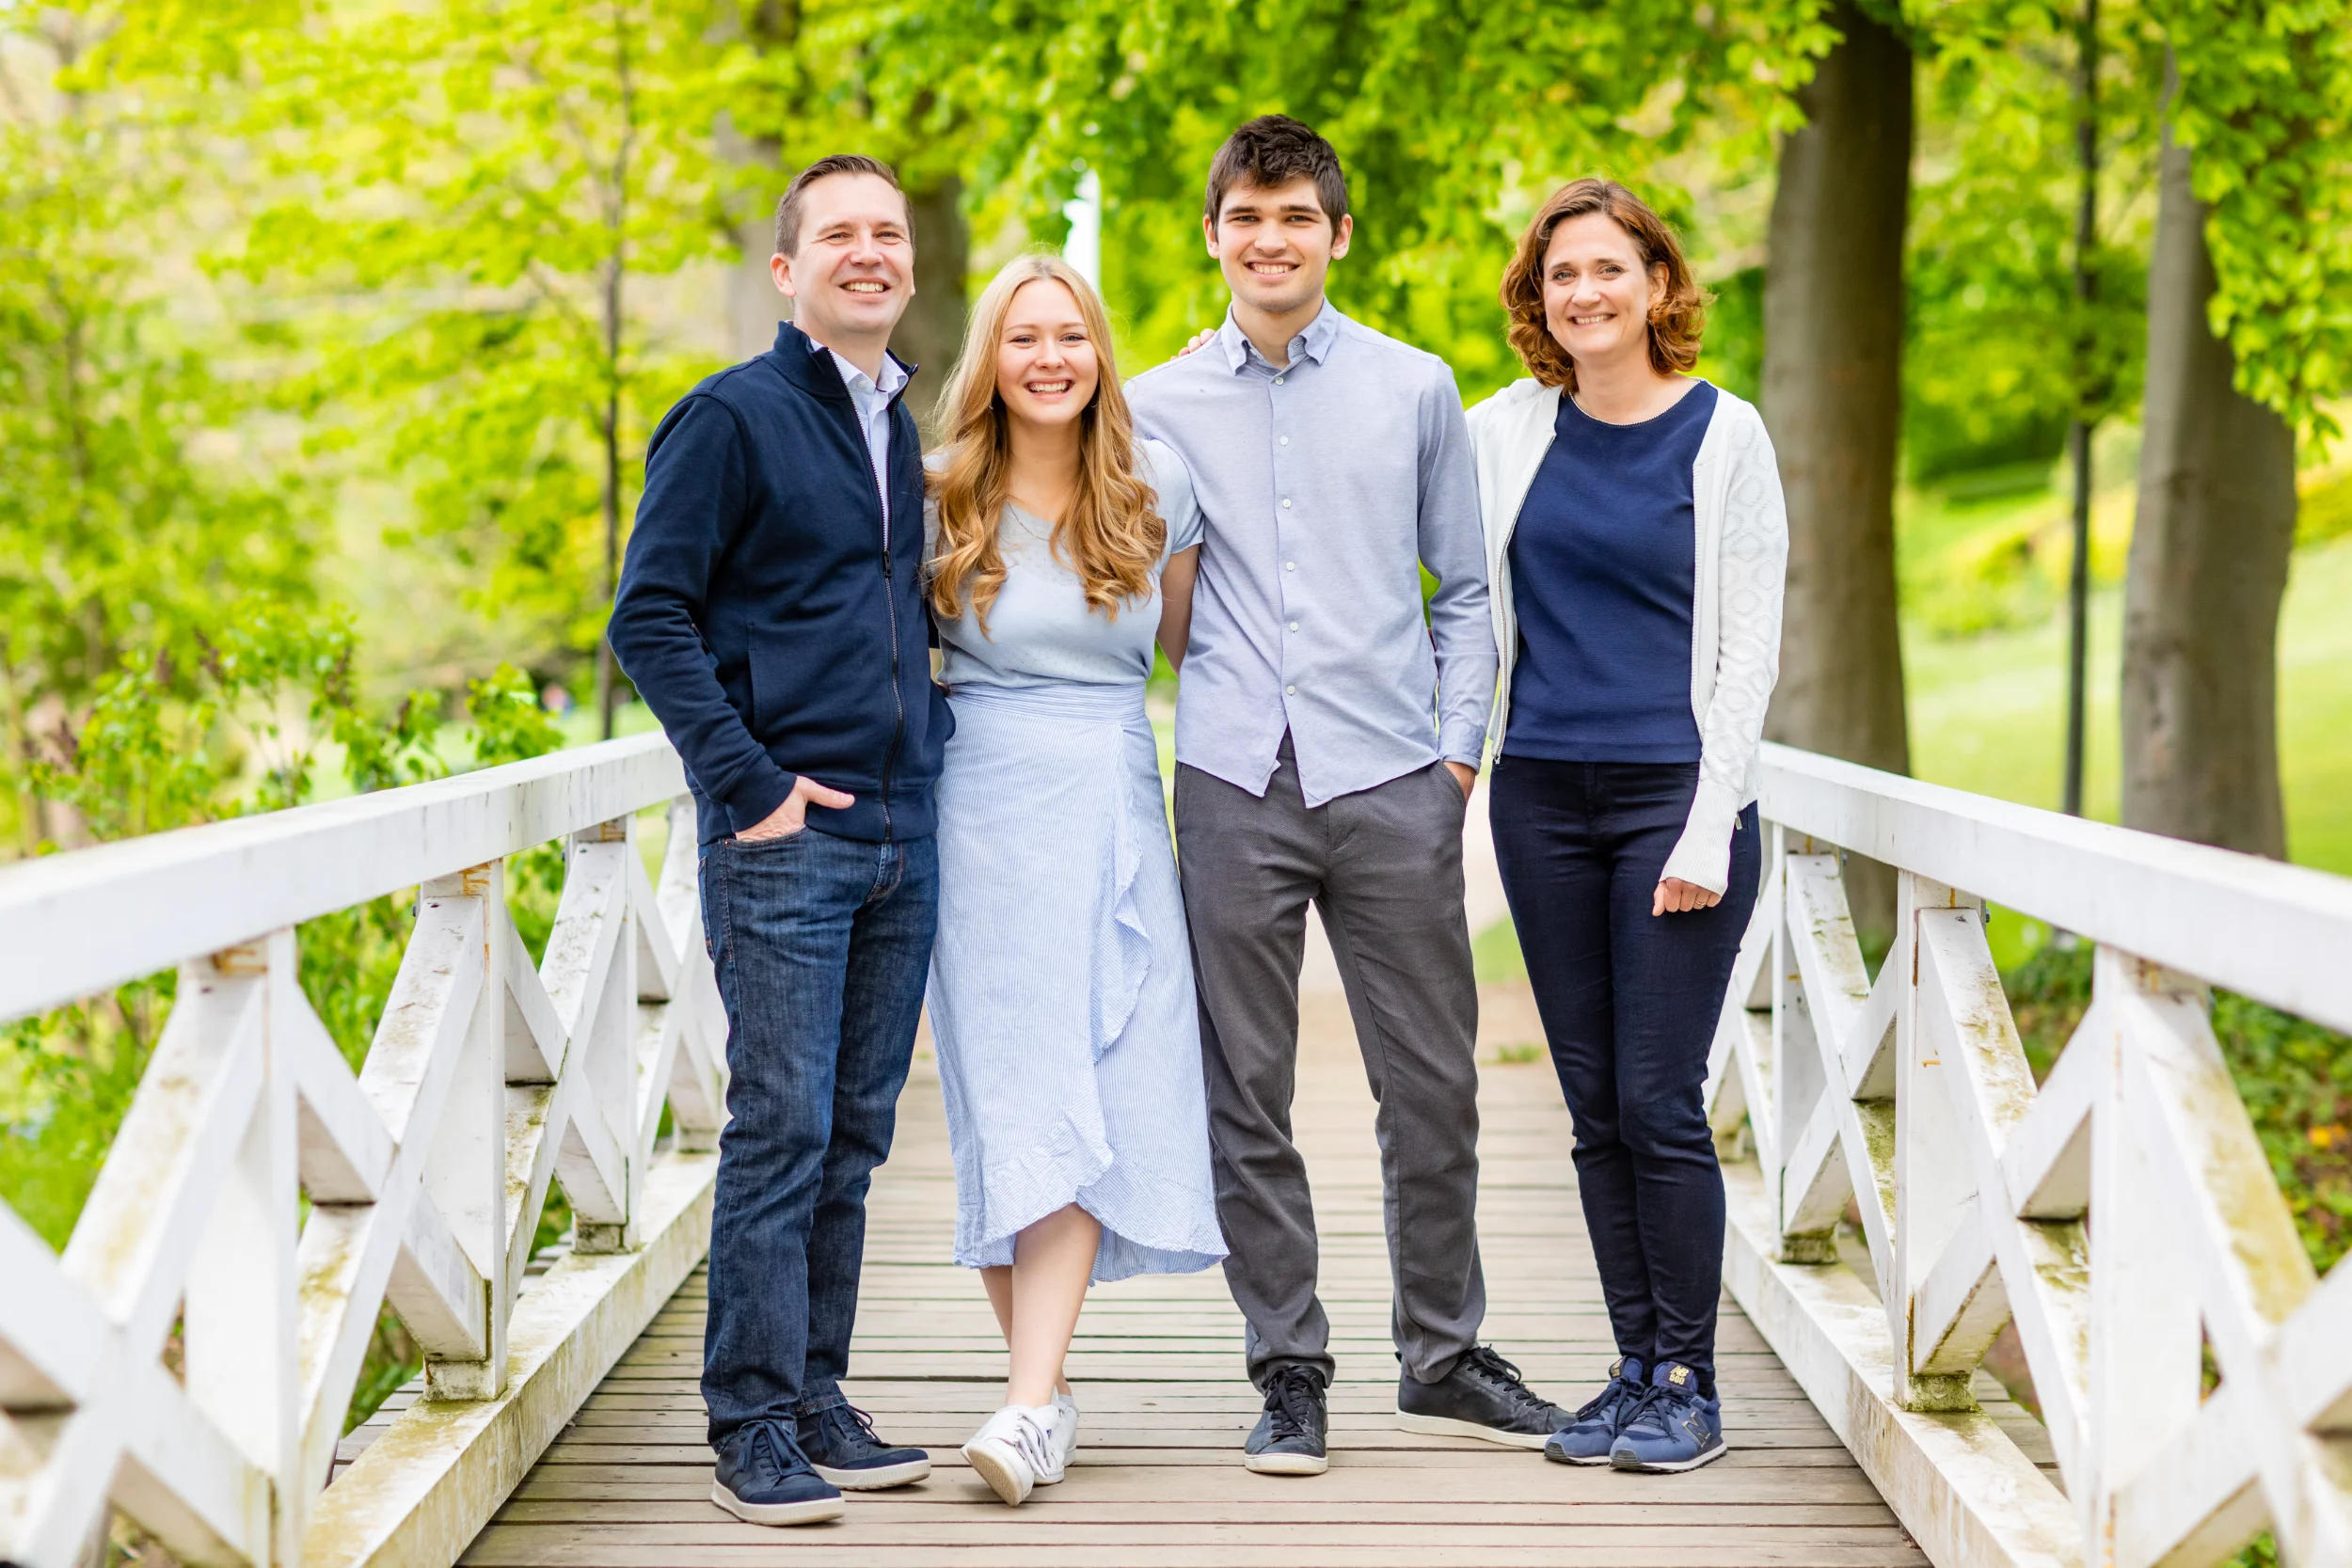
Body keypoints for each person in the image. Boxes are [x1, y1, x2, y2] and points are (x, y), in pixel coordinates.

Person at [1130, 114, 1566, 1477]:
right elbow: (1156, 601)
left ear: (1337, 234)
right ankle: (1290, 1367)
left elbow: (1468, 587)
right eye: (1246, 218)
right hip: (1230, 780)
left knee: (1432, 1084)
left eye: (1296, 218)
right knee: (1244, 1091)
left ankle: (1441, 1353)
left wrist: (1451, 759)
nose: (1271, 240)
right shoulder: (1150, 404)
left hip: (1391, 781)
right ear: (1214, 234)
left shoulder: (1414, 386)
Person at [609, 153, 950, 1528]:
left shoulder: (898, 426)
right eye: (841, 236)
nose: (870, 253)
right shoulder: (731, 418)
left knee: (855, 1135)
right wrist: (749, 781)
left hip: (899, 831)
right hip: (788, 839)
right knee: (781, 1128)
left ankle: (817, 1392)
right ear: (787, 268)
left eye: (889, 234)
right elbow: (650, 618)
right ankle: (748, 1417)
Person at [1467, 177, 1788, 1474]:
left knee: (1660, 1099)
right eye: (1560, 277)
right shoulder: (1499, 431)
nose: (1584, 293)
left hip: (1674, 799)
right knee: (1594, 1105)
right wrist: (1224, 358)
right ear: (1538, 301)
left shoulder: (1726, 435)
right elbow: (1360, 441)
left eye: (1608, 268)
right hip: (1541, 795)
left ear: (1659, 282)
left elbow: (1751, 648)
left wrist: (1712, 822)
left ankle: (1690, 1380)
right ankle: (1633, 1363)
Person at [922, 252, 1228, 1507]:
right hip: (975, 810)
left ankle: (1033, 1397)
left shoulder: (1156, 489)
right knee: (1006, 1097)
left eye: (1071, 336)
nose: (1049, 358)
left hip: (1108, 797)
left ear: (1101, 352)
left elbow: (1192, 652)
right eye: (1023, 338)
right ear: (989, 358)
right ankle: (1034, 1391)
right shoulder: (935, 492)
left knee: (1093, 1080)